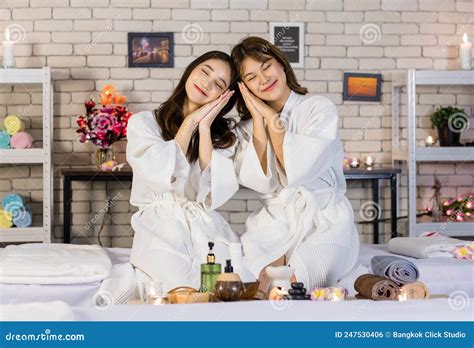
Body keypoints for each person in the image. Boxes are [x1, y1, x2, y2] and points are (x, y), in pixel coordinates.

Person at [232, 37, 365, 293]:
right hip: (274, 220)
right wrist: (259, 123)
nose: (263, 79)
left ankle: (351, 278)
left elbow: (301, 169)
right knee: (261, 287)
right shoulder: (245, 129)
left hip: (324, 216)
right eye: (251, 77)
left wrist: (270, 117)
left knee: (297, 286)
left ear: (281, 64)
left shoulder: (318, 108)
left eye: (266, 66)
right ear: (243, 87)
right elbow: (261, 181)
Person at [127, 51, 240, 292]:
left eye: (218, 84)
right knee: (175, 290)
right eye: (204, 71)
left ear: (224, 97)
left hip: (206, 226)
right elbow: (157, 172)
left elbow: (210, 193)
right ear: (191, 70)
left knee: (225, 289)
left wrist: (206, 127)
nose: (207, 83)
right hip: (159, 227)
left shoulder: (223, 139)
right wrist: (190, 122)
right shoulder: (144, 123)